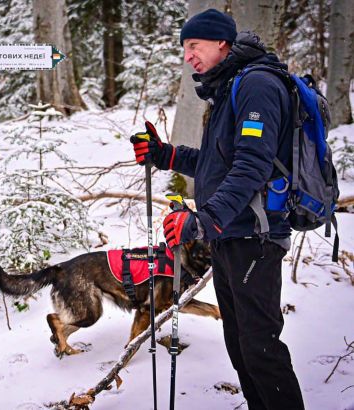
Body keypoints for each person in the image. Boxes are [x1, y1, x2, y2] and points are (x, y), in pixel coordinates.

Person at [132, 9, 305, 410]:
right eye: (185, 48)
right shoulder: (227, 88)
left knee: (260, 344)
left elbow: (251, 166)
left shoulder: (257, 86)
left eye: (195, 46)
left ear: (221, 43)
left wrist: (204, 218)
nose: (188, 56)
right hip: (228, 235)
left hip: (255, 237)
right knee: (239, 341)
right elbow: (217, 162)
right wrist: (166, 154)